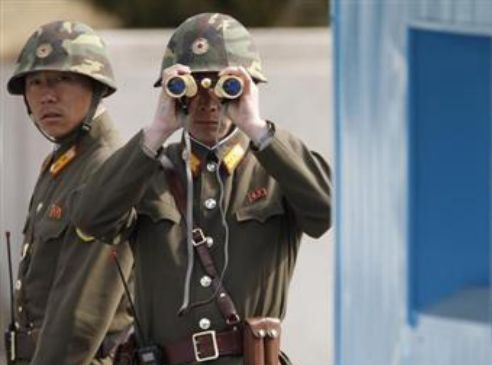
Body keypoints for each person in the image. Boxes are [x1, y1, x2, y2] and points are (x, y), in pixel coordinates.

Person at [73, 13, 331, 365]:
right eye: (191, 87)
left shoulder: (273, 171)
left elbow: (326, 211)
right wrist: (156, 133)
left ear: (248, 88)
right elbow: (90, 219)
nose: (208, 101)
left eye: (224, 87)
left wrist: (257, 128)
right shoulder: (149, 173)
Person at [4, 21, 134, 364]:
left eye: (63, 79)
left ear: (96, 87)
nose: (46, 95)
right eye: (34, 82)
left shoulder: (104, 167)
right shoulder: (62, 164)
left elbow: (83, 312)